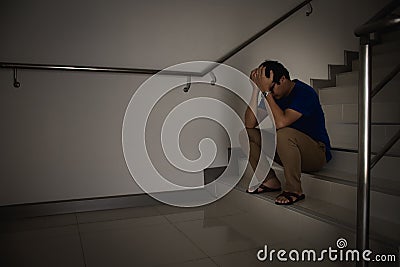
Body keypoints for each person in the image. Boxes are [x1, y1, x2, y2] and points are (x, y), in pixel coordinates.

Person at [239, 60, 332, 205]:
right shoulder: (274, 95)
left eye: (271, 87)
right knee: (246, 134)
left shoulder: (304, 92)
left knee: (282, 133)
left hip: (316, 154)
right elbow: (249, 124)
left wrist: (266, 92)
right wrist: (256, 90)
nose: (269, 92)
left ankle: (294, 189)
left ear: (282, 79)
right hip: (288, 150)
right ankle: (269, 180)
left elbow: (281, 122)